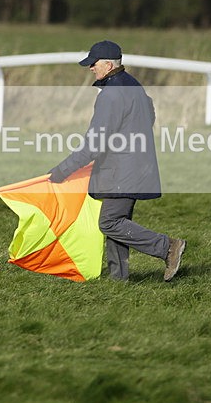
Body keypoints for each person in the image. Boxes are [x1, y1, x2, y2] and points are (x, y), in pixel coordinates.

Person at [49, 40, 186, 282]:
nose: (91, 68)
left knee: (110, 222)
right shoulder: (133, 84)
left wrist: (63, 170)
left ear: (108, 64)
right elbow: (149, 113)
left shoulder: (111, 95)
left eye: (94, 64)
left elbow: (94, 143)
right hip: (134, 167)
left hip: (122, 171)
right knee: (118, 222)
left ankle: (167, 247)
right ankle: (118, 280)